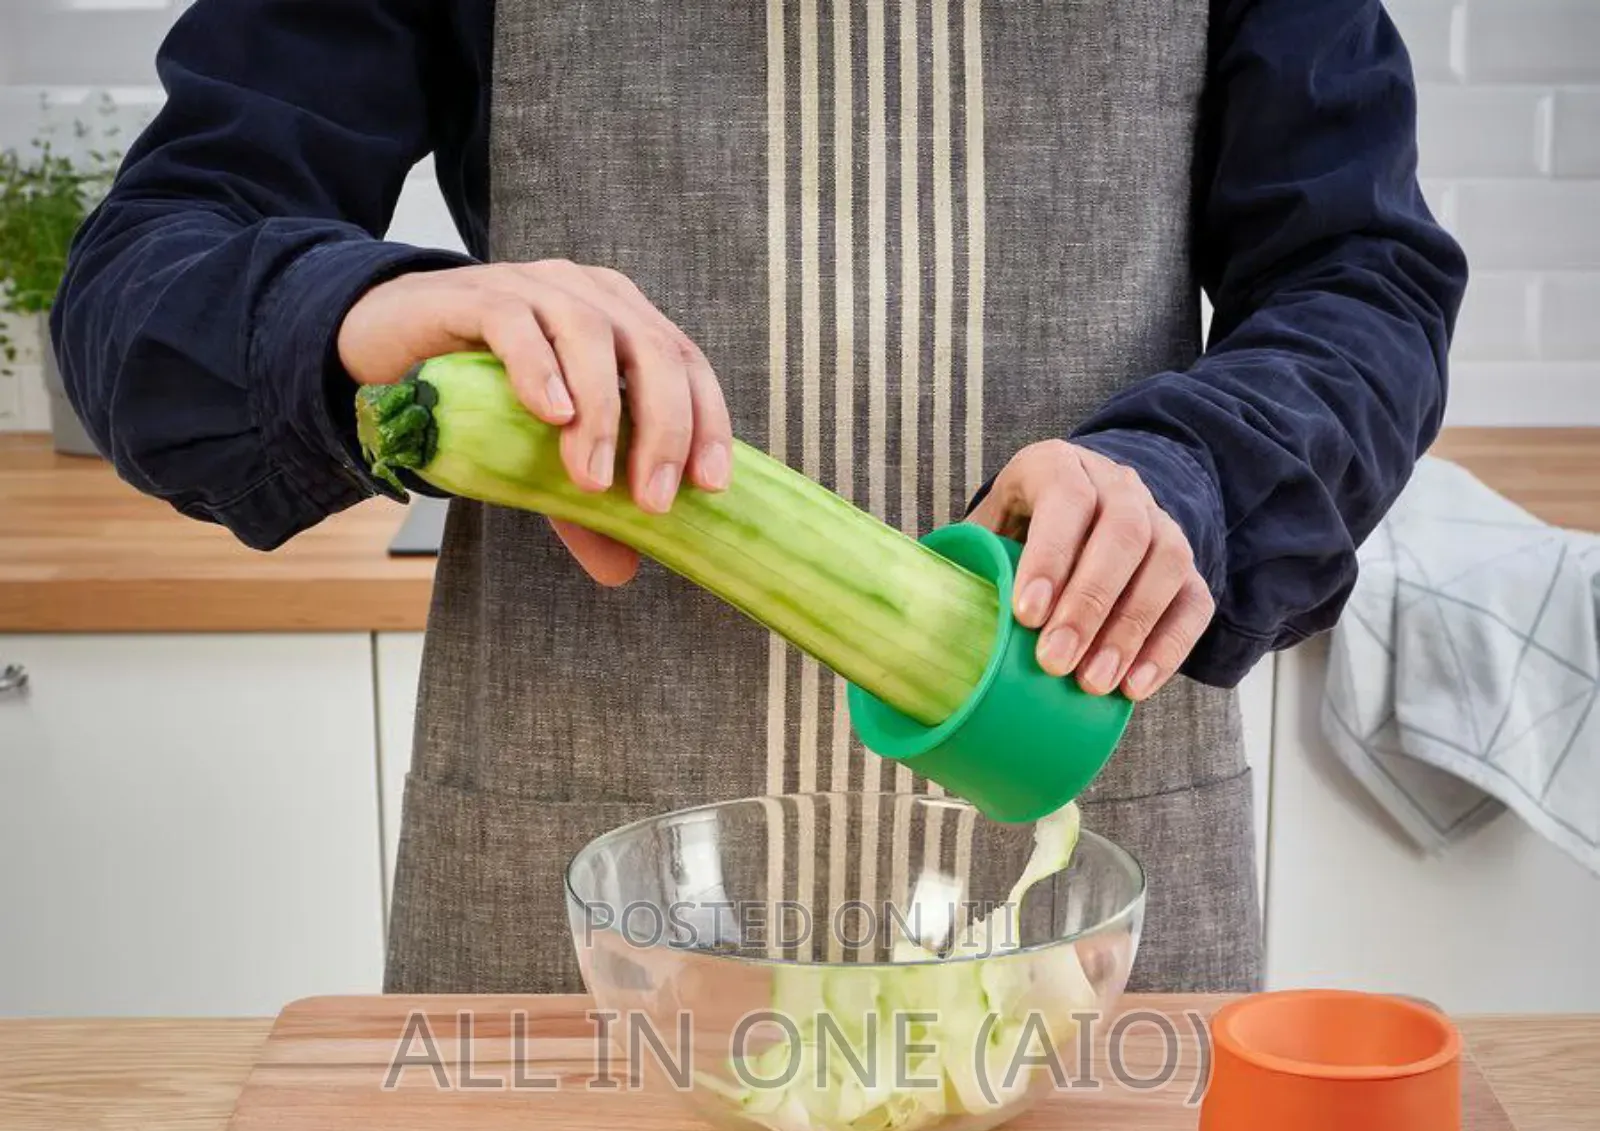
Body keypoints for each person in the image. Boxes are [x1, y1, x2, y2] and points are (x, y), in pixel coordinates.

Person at [53, 0, 1467, 995]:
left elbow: (1363, 283)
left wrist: (1198, 473)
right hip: (575, 884)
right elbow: (145, 276)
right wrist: (358, 311)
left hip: (1084, 858)